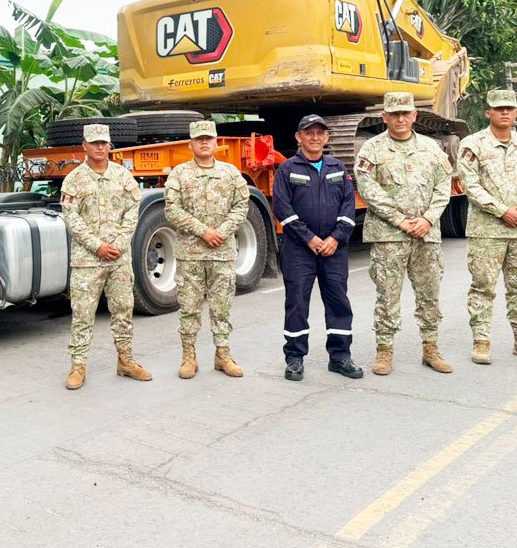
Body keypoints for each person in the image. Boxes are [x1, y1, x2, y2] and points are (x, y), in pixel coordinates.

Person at [355, 91, 454, 375]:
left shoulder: (432, 148)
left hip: (426, 234)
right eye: (394, 114)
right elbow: (368, 188)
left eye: (405, 113)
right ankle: (384, 351)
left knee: (430, 294)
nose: (400, 119)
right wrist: (399, 219)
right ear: (385, 117)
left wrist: (428, 219)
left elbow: (443, 185)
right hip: (388, 236)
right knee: (387, 296)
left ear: (414, 116)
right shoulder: (371, 149)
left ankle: (431, 348)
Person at [457, 89, 517, 364]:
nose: (504, 113)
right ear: (488, 112)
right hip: (487, 231)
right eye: (499, 109)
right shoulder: (472, 144)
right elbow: (469, 185)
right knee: (483, 287)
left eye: (509, 108)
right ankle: (481, 342)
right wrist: (502, 211)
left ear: (516, 113)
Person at [271, 114, 364, 381]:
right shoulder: (287, 169)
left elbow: (349, 207)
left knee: (338, 302)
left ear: (327, 138)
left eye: (319, 133)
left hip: (334, 249)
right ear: (298, 137)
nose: (314, 137)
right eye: (308, 133)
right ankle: (295, 358)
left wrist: (336, 238)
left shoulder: (338, 168)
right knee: (297, 303)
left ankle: (340, 357)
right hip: (299, 250)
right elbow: (282, 210)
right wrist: (309, 238)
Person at [59, 123, 153, 390]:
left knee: (123, 310)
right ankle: (78, 367)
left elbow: (132, 211)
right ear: (84, 147)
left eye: (104, 143)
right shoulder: (74, 180)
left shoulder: (123, 176)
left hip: (119, 259)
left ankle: (126, 361)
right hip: (88, 260)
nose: (100, 147)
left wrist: (120, 244)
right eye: (95, 142)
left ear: (110, 146)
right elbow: (72, 219)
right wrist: (97, 246)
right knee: (83, 314)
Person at [164, 119, 250, 379]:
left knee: (221, 306)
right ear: (190, 144)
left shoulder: (231, 173)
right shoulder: (179, 173)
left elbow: (242, 205)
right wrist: (204, 231)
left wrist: (221, 232)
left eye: (208, 138)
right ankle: (189, 357)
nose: (204, 142)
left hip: (222, 253)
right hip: (190, 253)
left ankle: (222, 354)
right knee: (189, 306)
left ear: (216, 142)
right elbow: (171, 210)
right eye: (199, 139)